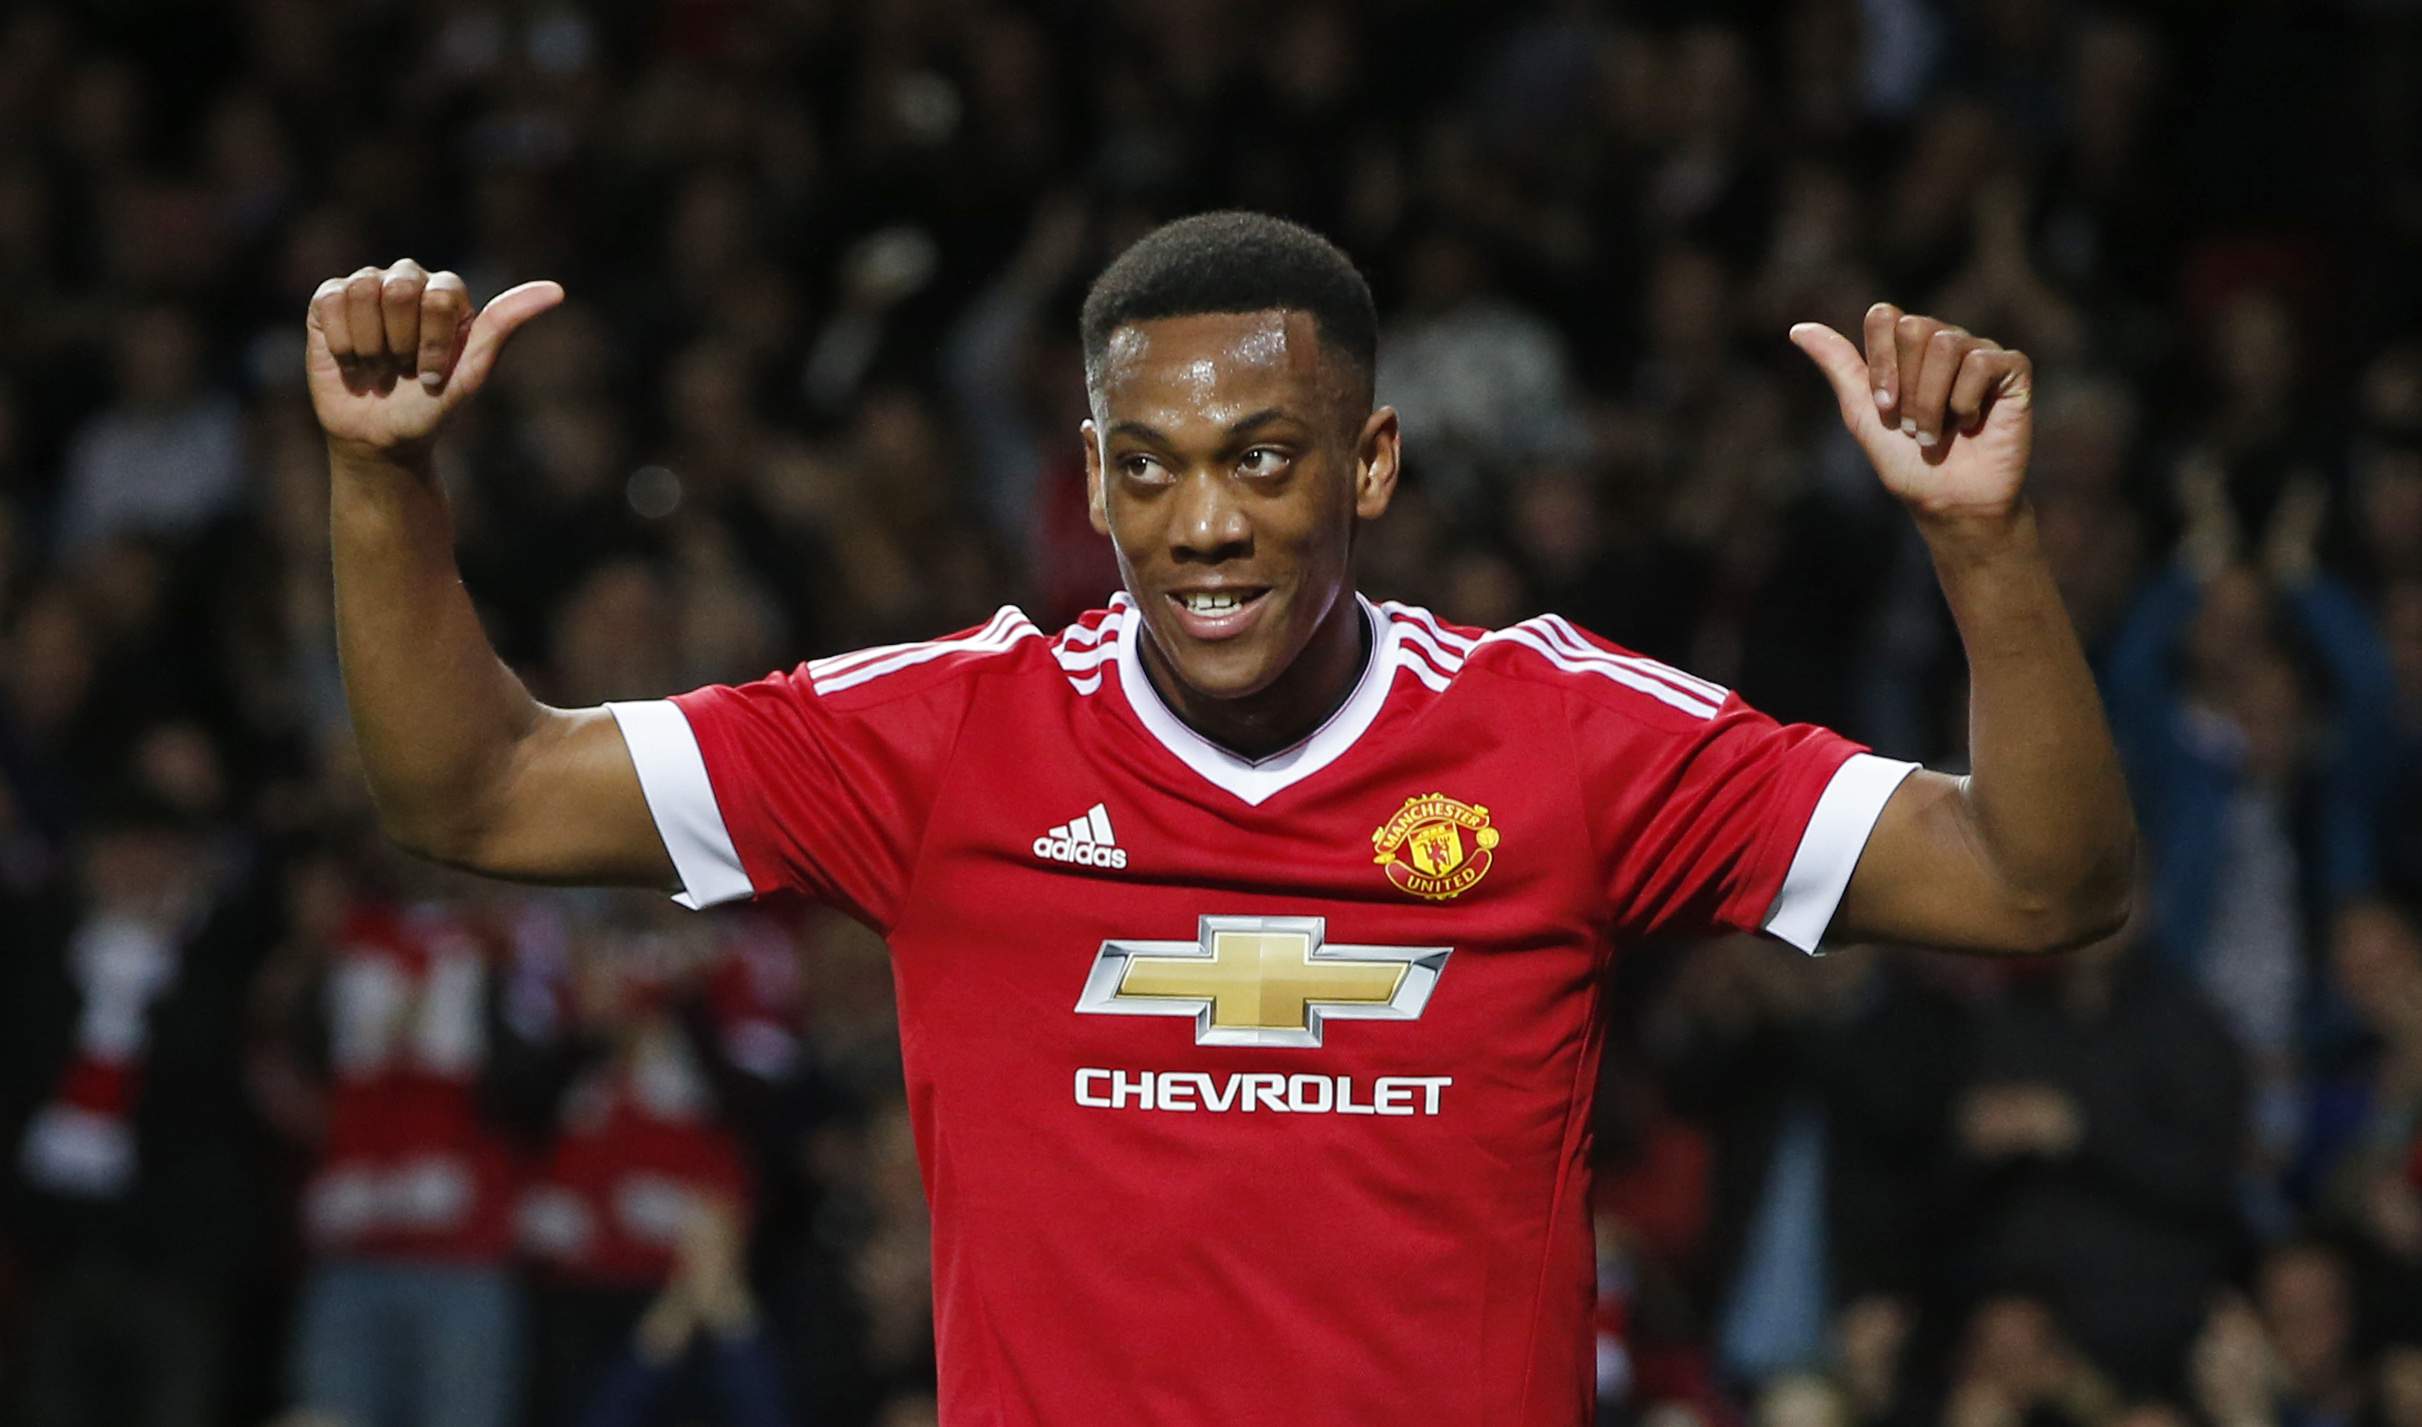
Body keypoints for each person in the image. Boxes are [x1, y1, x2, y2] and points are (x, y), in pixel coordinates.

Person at [303, 212, 2135, 1425]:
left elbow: (2040, 888)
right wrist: (382, 482)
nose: (1205, 526)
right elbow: (472, 790)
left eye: (1264, 459)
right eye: (1153, 468)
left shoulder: (1568, 738)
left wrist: (1979, 544)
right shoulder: (945, 741)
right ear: (1088, 479)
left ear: (1369, 464)